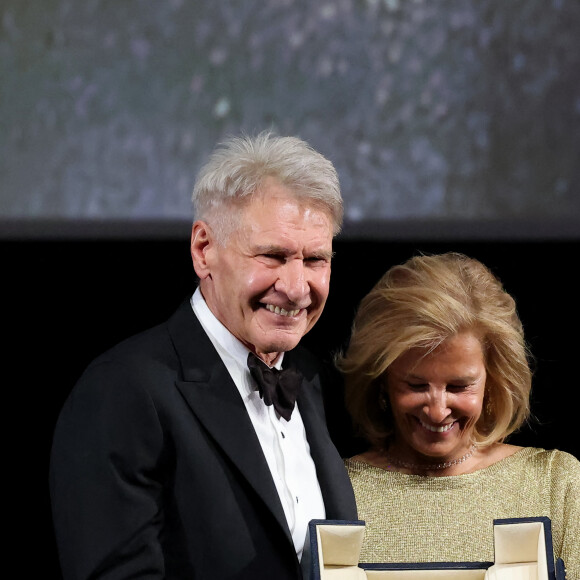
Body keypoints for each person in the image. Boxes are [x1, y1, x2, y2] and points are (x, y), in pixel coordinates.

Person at [49, 131, 357, 580]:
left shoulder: (308, 377)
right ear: (203, 249)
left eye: (315, 260)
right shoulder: (123, 390)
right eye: (272, 256)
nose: (296, 288)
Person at [337, 252, 579, 576]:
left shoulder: (554, 483)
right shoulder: (334, 488)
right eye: (416, 385)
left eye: (459, 386)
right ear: (381, 380)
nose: (437, 411)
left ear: (494, 379)